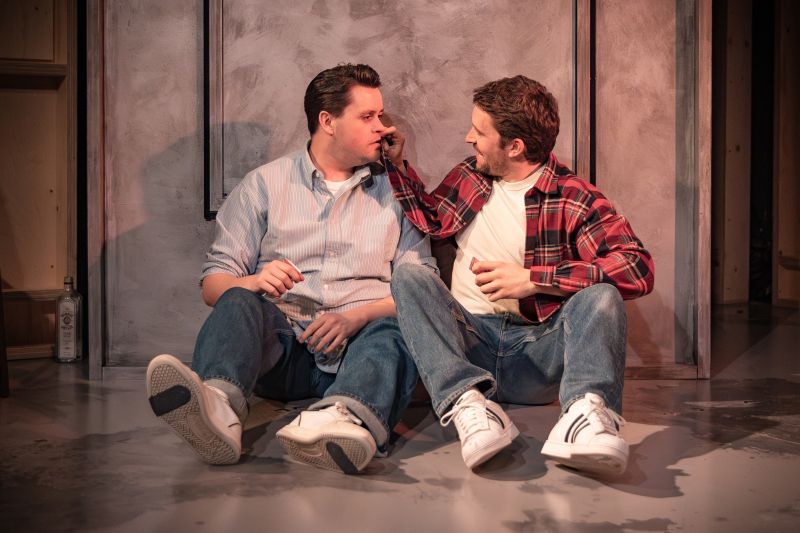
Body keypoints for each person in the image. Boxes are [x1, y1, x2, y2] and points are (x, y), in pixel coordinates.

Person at [145, 64, 436, 474]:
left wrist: (356, 318)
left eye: (381, 116)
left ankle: (344, 419)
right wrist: (253, 281)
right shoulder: (264, 184)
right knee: (238, 298)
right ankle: (218, 408)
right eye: (367, 116)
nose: (382, 127)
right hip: (281, 351)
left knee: (391, 331)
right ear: (328, 121)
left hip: (360, 356)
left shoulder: (397, 192)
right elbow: (213, 285)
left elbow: (423, 289)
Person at [384, 75, 654, 476]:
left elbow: (636, 266)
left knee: (602, 296)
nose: (468, 138)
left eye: (479, 132)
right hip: (469, 343)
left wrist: (535, 280)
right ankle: (468, 404)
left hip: (536, 353)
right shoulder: (471, 176)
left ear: (515, 146)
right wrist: (396, 165)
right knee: (409, 277)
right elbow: (432, 218)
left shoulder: (575, 196)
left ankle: (583, 419)